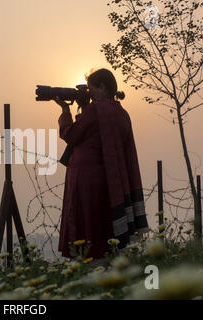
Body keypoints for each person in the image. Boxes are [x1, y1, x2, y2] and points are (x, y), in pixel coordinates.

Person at [53, 68, 149, 260]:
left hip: (86, 181)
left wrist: (65, 111)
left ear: (102, 87)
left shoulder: (95, 111)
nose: (89, 95)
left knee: (86, 223)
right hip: (110, 182)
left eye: (91, 90)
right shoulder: (122, 113)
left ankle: (89, 262)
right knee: (103, 223)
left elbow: (71, 134)